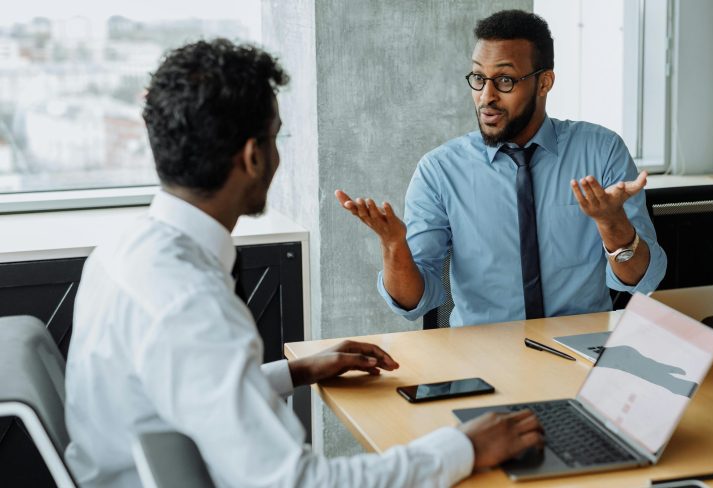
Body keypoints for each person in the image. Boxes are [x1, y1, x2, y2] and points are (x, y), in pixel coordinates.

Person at [64, 39, 544, 488]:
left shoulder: (124, 250)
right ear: (253, 157)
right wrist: (463, 447)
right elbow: (299, 482)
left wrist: (295, 371)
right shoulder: (192, 303)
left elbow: (183, 390)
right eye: (276, 137)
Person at [337, 9, 667, 327]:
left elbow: (643, 279)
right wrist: (394, 247)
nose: (486, 96)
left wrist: (612, 224)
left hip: (580, 349)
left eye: (505, 80)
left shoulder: (601, 151)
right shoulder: (439, 171)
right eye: (479, 78)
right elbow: (413, 302)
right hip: (482, 353)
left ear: (544, 82)